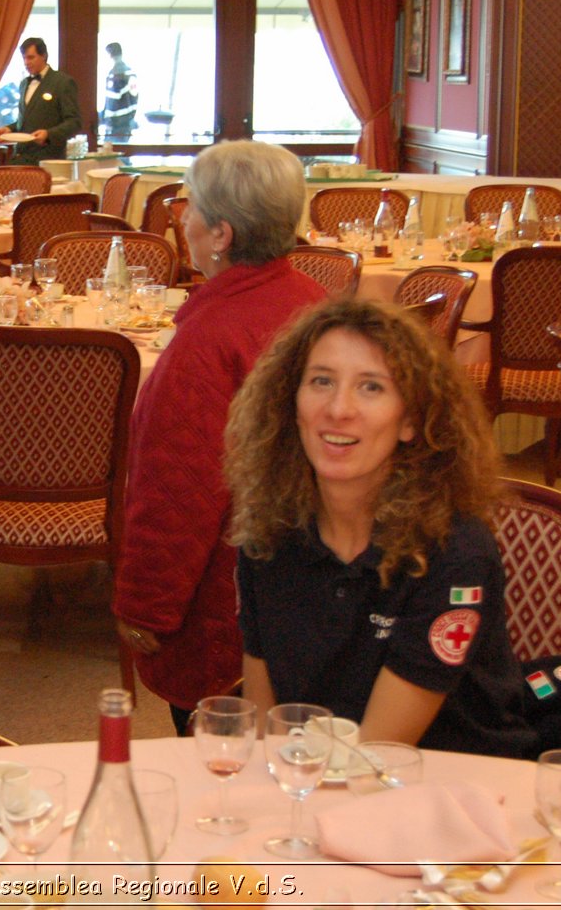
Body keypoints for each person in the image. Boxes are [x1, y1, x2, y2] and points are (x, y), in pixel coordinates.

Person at [225, 298, 537, 758]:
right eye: (321, 381)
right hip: (313, 780)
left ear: (410, 419)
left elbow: (379, 751)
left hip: (449, 783)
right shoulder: (268, 531)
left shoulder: (453, 553)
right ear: (291, 403)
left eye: (371, 388)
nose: (338, 409)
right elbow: (265, 724)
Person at [112, 140, 327, 734]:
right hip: (317, 584)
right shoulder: (316, 303)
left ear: (221, 234)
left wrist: (145, 607)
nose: (183, 217)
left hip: (231, 599)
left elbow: (177, 491)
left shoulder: (205, 344)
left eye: (193, 206)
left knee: (223, 763)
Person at [0, 37, 80, 164]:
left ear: (44, 56)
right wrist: (10, 129)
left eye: (31, 57)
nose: (26, 62)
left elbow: (74, 122)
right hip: (20, 158)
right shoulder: (24, 84)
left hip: (47, 160)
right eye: (24, 58)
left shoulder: (62, 82)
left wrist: (48, 134)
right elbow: (27, 120)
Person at [101, 41, 138, 144]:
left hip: (116, 124)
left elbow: (112, 100)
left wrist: (108, 121)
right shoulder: (130, 72)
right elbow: (134, 98)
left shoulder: (115, 74)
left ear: (109, 55)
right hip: (127, 121)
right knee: (124, 153)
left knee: (112, 157)